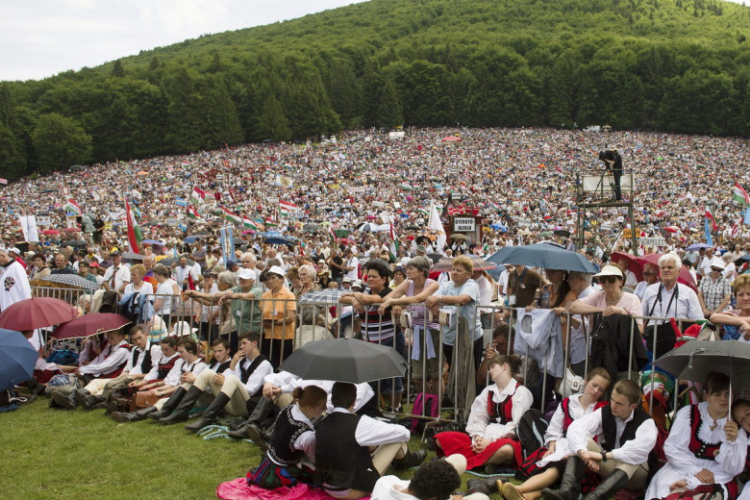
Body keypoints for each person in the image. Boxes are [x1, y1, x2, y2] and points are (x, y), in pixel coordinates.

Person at [503, 368, 612, 500]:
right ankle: (525, 497)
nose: (596, 391)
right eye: (594, 385)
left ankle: (519, 491)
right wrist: (551, 447)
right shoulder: (568, 403)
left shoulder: (603, 410)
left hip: (585, 456)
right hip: (563, 447)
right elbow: (554, 429)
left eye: (601, 389)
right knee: (557, 470)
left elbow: (601, 441)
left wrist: (593, 456)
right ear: (586, 381)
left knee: (558, 470)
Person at [542, 380, 658, 500]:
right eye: (612, 400)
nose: (613, 405)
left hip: (638, 477)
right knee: (581, 441)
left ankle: (593, 498)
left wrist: (600, 456)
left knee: (630, 458)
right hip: (613, 469)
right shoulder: (606, 411)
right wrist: (583, 453)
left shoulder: (646, 422)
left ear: (632, 406)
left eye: (619, 403)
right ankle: (568, 491)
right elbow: (576, 428)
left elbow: (635, 452)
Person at [434, 353, 532, 488]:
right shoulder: (488, 391)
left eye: (493, 367)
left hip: (507, 439)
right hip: (485, 437)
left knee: (507, 450)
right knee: (442, 438)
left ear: (504, 367)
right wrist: (478, 437)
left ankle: (459, 461)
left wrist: (491, 441)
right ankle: (487, 463)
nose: (489, 370)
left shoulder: (521, 392)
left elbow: (516, 426)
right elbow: (478, 418)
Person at [644, 372, 747, 500]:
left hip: (717, 475)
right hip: (683, 467)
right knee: (666, 488)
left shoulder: (736, 428)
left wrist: (731, 442)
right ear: (707, 396)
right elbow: (672, 449)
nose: (723, 398)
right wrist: (695, 470)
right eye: (717, 394)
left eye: (728, 394)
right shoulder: (689, 414)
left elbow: (733, 470)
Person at [315, 382, 426, 499]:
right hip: (350, 489)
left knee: (372, 442)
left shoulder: (322, 423)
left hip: (327, 486)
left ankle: (405, 460)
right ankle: (406, 460)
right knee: (396, 440)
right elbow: (404, 433)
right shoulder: (359, 423)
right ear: (354, 401)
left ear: (332, 400)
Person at [156, 332, 273, 429]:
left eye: (244, 343)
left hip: (248, 406)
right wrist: (232, 366)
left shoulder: (264, 364)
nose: (241, 347)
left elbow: (250, 391)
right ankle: (179, 411)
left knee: (231, 378)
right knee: (207, 374)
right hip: (232, 401)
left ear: (254, 343)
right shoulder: (240, 360)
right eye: (240, 344)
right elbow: (224, 377)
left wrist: (227, 379)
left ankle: (206, 418)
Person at [341, 258, 402, 409]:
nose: (371, 279)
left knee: (392, 376)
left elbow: (370, 299)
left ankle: (395, 408)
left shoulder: (389, 293)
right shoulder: (365, 291)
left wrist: (356, 297)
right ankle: (375, 407)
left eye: (374, 276)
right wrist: (355, 299)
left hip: (390, 339)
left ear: (384, 279)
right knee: (370, 376)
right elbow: (342, 297)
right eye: (369, 276)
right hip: (371, 342)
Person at [379, 256, 442, 397]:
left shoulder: (433, 284)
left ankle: (435, 410)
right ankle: (426, 407)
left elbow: (418, 299)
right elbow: (387, 297)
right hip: (416, 331)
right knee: (417, 377)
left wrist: (392, 302)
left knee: (436, 375)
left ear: (421, 271)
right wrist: (394, 303)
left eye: (411, 268)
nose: (407, 270)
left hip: (433, 332)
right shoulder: (408, 284)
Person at [247, 385, 328, 489]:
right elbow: (314, 459)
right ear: (309, 408)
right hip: (281, 473)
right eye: (323, 406)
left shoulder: (289, 409)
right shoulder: (307, 435)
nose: (325, 408)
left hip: (268, 460)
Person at [425, 255, 485, 374]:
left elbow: (462, 300)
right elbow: (432, 298)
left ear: (468, 274)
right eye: (453, 269)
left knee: (469, 373)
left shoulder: (471, 285)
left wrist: (439, 299)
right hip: (449, 337)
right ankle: (455, 393)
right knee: (454, 372)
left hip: (469, 337)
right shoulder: (446, 285)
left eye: (459, 270)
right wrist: (435, 302)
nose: (454, 272)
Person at [561, 263, 643, 331]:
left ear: (621, 281)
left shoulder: (632, 299)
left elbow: (640, 329)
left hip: (623, 346)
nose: (607, 283)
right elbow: (573, 307)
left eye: (611, 279)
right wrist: (603, 311)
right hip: (601, 346)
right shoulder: (598, 295)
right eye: (603, 279)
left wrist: (622, 313)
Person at [372, 455, 490, 500]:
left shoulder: (385, 482)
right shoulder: (388, 480)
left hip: (418, 490)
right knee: (481, 498)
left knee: (459, 460)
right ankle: (480, 486)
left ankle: (479, 486)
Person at [261, 266, 296, 368]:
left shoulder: (288, 295)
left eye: (273, 278)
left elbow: (290, 318)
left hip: (285, 336)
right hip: (269, 335)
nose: (270, 281)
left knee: (285, 364)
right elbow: (263, 313)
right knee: (271, 364)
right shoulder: (265, 296)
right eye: (269, 278)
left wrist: (273, 322)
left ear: (281, 279)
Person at [710, 274, 750, 341]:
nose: (745, 298)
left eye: (749, 294)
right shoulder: (733, 312)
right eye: (741, 295)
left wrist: (734, 319)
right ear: (736, 298)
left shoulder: (732, 315)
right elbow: (714, 317)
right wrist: (742, 322)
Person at [152, 263, 180, 328]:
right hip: (166, 313)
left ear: (160, 274)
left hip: (162, 314)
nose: (154, 276)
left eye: (155, 274)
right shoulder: (165, 284)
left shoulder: (164, 287)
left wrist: (149, 311)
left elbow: (157, 305)